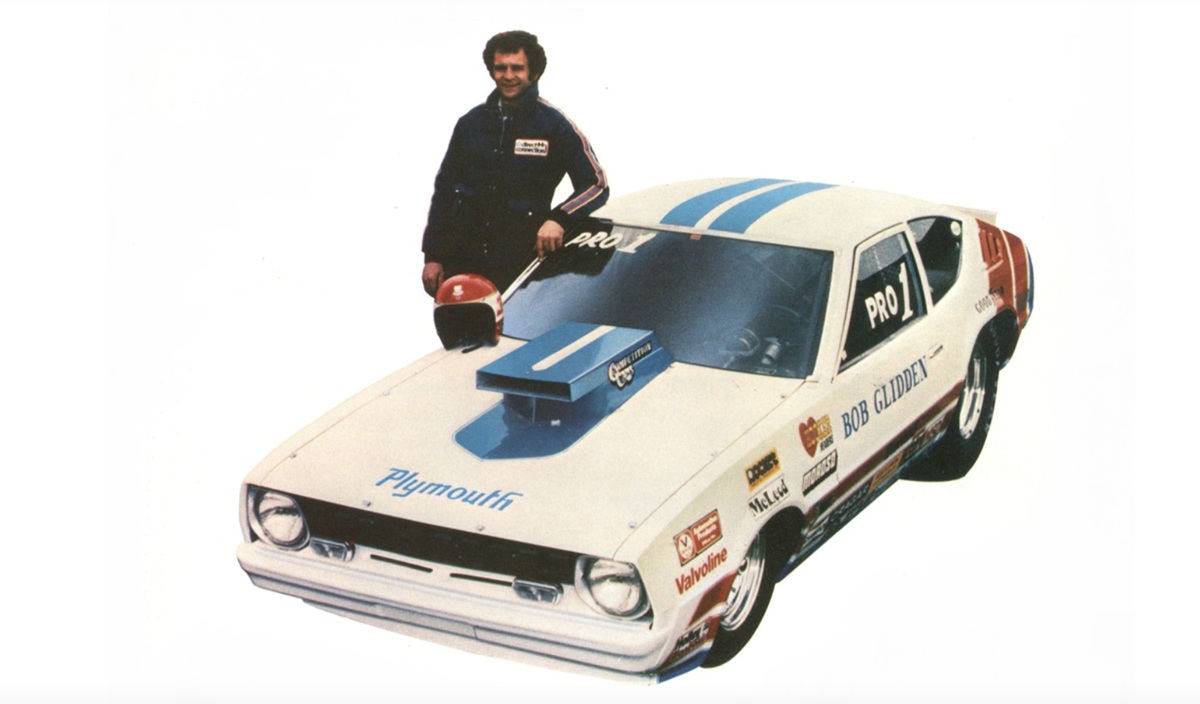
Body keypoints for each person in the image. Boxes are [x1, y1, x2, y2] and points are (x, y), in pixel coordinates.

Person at [420, 30, 609, 296]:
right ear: (491, 71)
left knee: (511, 338)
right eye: (500, 68)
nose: (508, 76)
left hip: (519, 269)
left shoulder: (554, 125)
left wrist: (559, 220)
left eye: (517, 68)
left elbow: (596, 184)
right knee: (463, 337)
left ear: (534, 73)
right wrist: (433, 255)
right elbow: (444, 191)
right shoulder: (470, 124)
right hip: (462, 264)